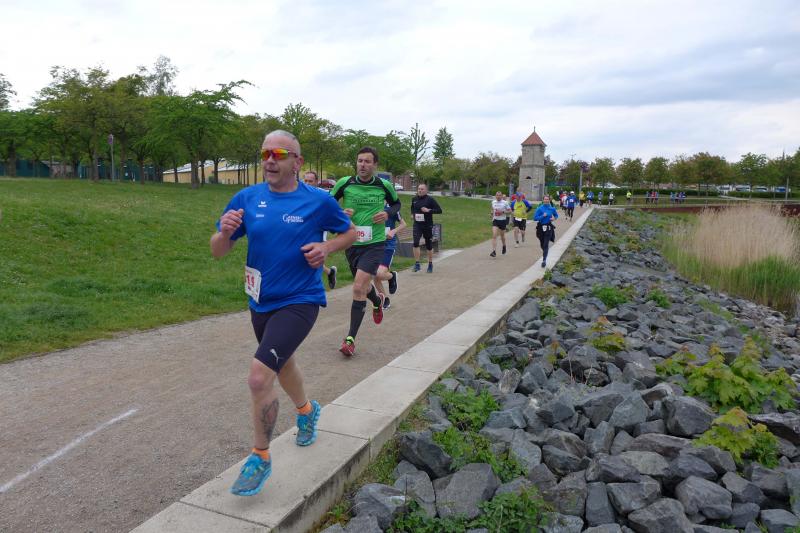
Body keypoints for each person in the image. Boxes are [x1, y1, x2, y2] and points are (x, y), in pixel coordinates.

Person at [210, 130, 356, 497]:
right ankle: (307, 411)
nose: (270, 161)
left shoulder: (318, 201)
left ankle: (260, 456)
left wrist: (327, 248)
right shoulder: (247, 198)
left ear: (297, 162)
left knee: (259, 377)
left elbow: (350, 233)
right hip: (260, 300)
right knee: (282, 363)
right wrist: (224, 234)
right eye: (265, 154)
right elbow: (218, 251)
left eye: (279, 154)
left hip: (300, 299)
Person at [330, 147, 401, 357]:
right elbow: (327, 204)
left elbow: (396, 204)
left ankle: (350, 339)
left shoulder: (383, 185)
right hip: (352, 241)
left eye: (367, 161)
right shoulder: (345, 183)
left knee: (358, 286)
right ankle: (378, 301)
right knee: (363, 286)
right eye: (360, 161)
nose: (362, 165)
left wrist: (387, 212)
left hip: (375, 243)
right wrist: (339, 213)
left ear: (375, 165)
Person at [303, 171, 338, 289]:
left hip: (319, 230)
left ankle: (313, 289)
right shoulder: (299, 193)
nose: (307, 183)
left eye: (310, 181)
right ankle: (330, 272)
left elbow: (334, 210)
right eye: (305, 181)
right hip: (303, 229)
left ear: (317, 182)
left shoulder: (324, 195)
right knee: (305, 258)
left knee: (313, 257)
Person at [374, 203, 406, 309]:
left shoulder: (392, 208)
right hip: (373, 245)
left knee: (379, 273)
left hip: (388, 246)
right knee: (374, 274)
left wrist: (393, 231)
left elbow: (403, 224)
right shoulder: (371, 205)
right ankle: (385, 299)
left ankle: (391, 276)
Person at [410, 183, 443, 272]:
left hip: (427, 225)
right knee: (415, 242)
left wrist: (429, 210)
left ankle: (430, 264)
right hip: (417, 224)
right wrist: (412, 214)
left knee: (428, 245)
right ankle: (417, 264)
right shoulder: (414, 199)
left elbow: (439, 210)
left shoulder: (430, 200)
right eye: (419, 189)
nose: (420, 190)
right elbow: (412, 208)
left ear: (426, 190)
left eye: (422, 189)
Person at [534, 194, 559, 268]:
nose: (546, 201)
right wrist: (542, 216)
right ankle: (545, 251)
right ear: (543, 200)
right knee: (542, 244)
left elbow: (556, 215)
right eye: (545, 199)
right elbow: (535, 218)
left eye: (547, 199)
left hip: (548, 227)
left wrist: (553, 218)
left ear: (549, 200)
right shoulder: (539, 208)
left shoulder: (552, 209)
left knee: (546, 244)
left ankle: (544, 260)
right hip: (540, 228)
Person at [489, 190, 511, 257]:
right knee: (494, 235)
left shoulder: (505, 203)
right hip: (495, 220)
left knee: (502, 236)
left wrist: (503, 212)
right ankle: (494, 251)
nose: (498, 196)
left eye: (499, 195)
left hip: (502, 221)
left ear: (501, 196)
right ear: (495, 196)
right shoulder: (493, 202)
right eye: (497, 195)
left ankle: (504, 245)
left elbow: (510, 211)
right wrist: (491, 213)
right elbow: (492, 209)